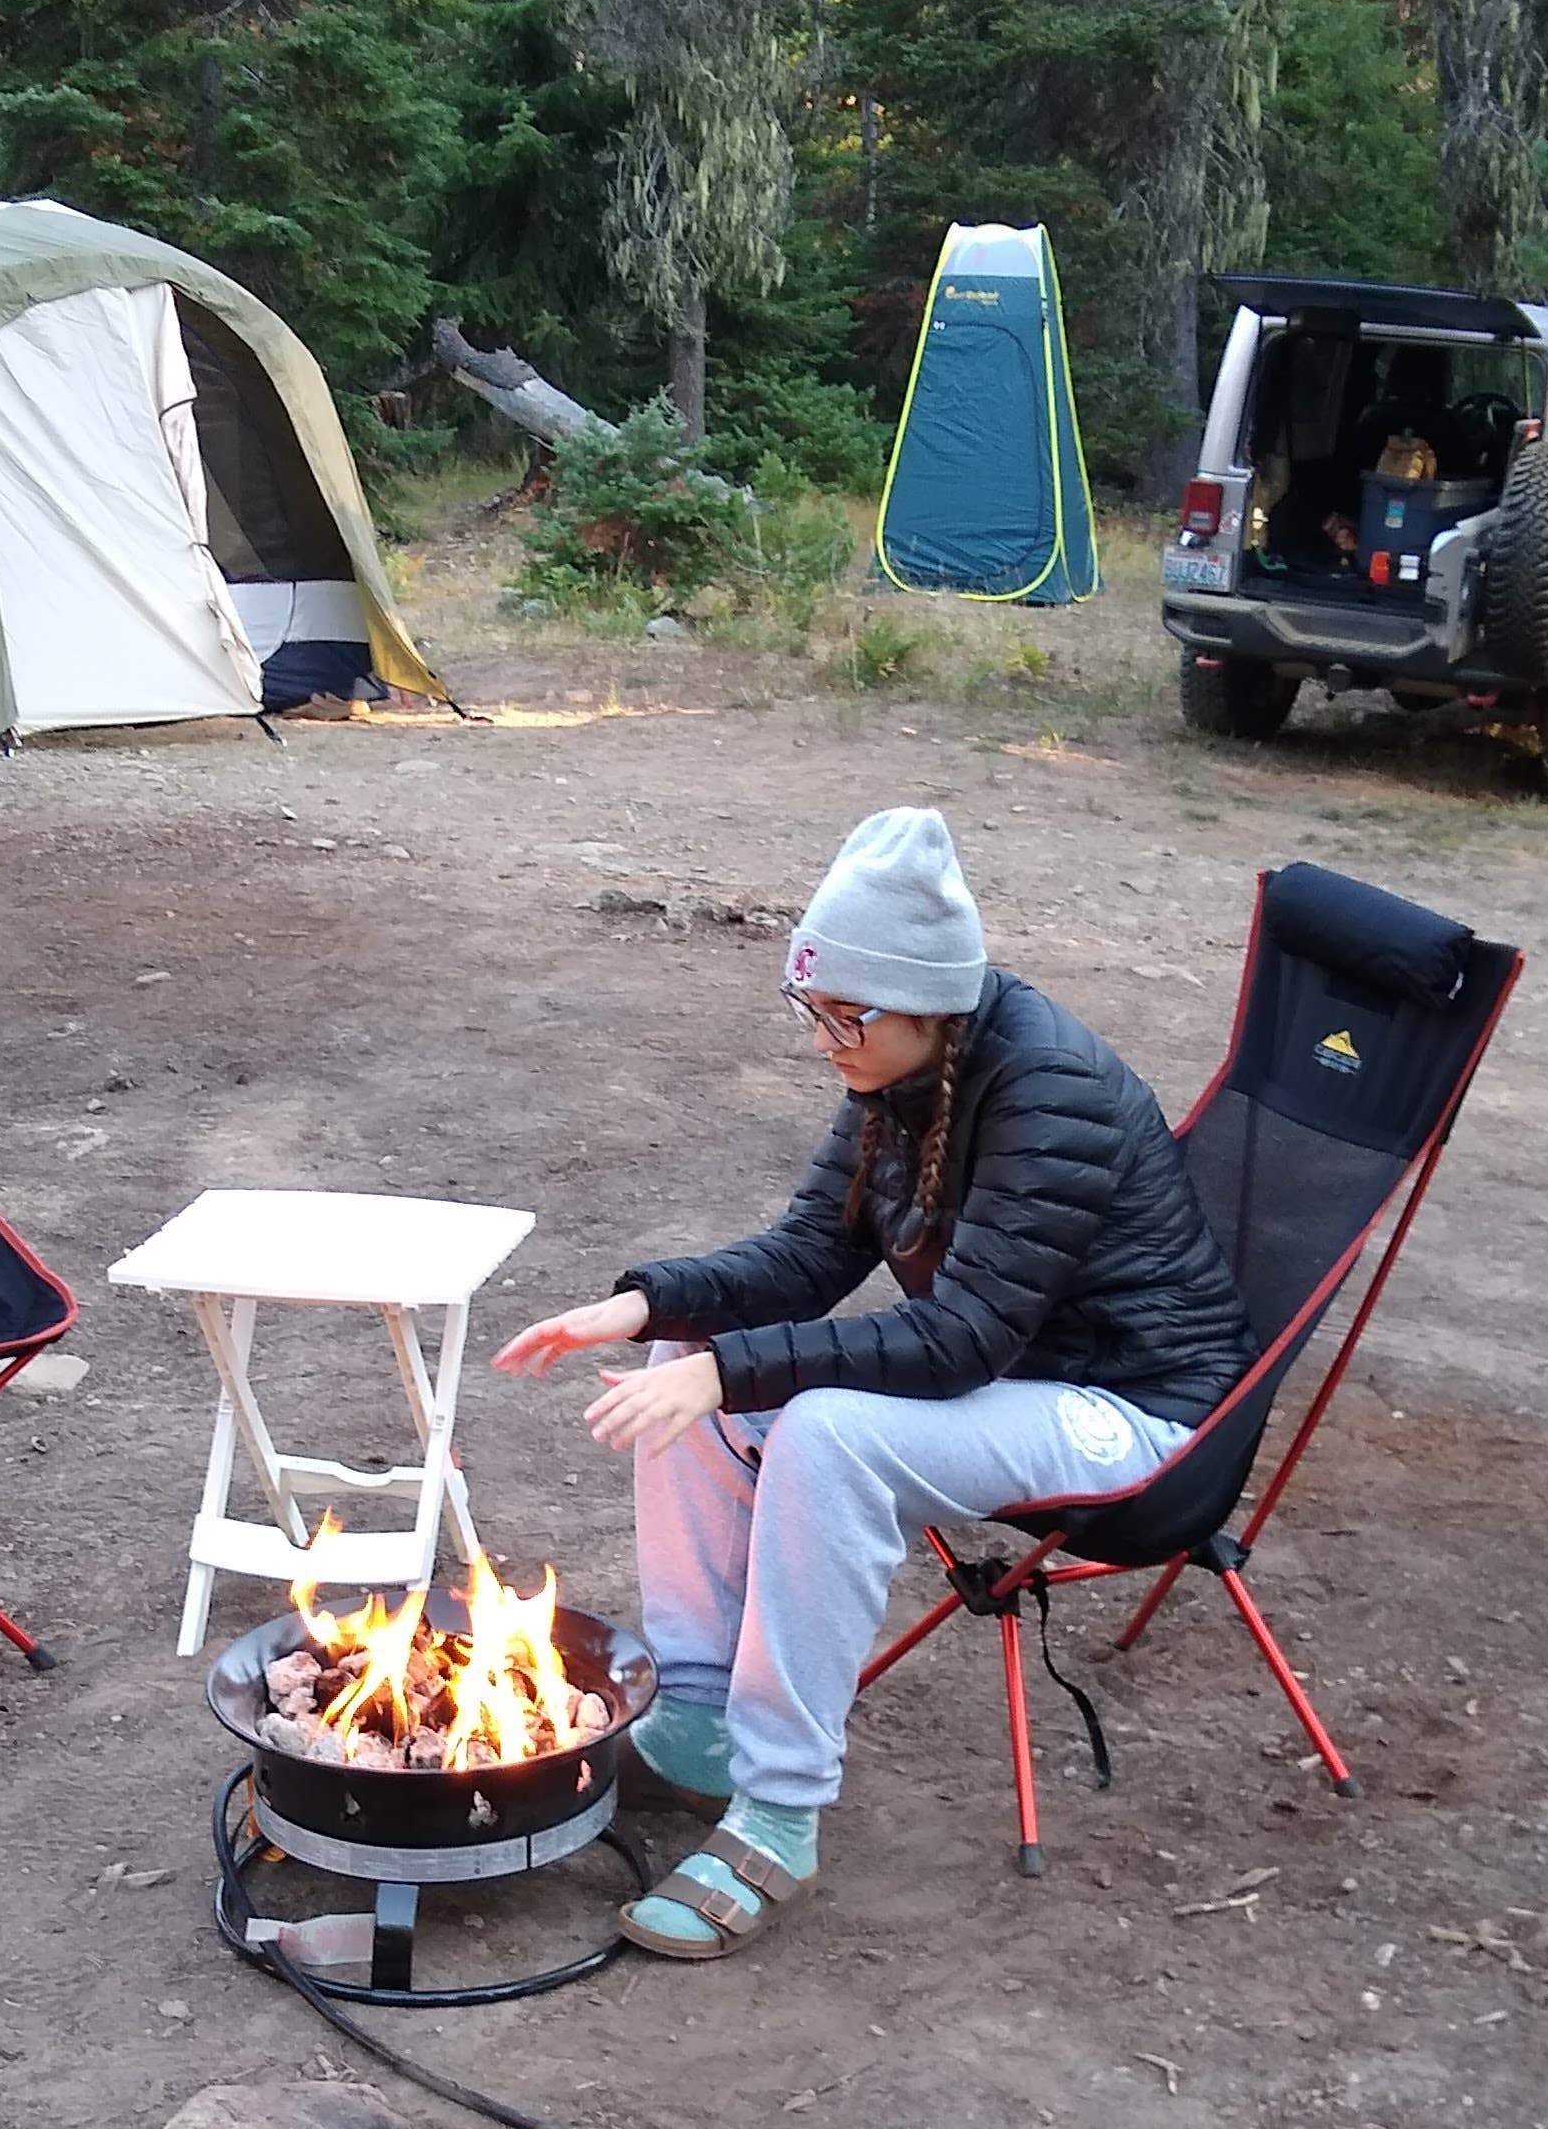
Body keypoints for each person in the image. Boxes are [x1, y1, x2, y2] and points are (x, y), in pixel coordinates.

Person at [496, 808, 1257, 1958]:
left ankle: (779, 1814)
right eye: (810, 1006)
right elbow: (809, 1255)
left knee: (827, 1434)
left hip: (1139, 1418)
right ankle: (699, 1722)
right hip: (1022, 1384)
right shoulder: (899, 1073)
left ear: (930, 1002)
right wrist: (648, 1305)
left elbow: (962, 1341)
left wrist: (733, 1369)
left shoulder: (1051, 1092)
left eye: (845, 1014)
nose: (823, 1039)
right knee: (688, 1363)